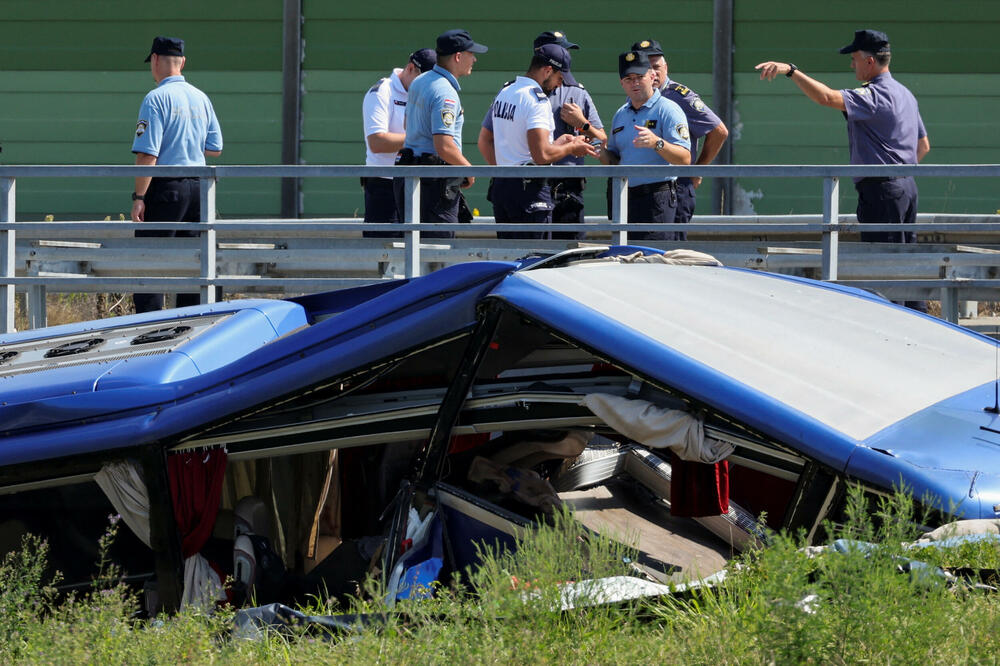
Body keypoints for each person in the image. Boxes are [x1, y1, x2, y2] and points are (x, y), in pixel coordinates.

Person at [755, 29, 929, 310]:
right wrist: (901, 171)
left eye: (855, 58)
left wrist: (792, 72)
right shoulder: (905, 94)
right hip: (907, 186)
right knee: (906, 263)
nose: (852, 64)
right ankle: (920, 324)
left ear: (870, 61)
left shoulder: (874, 95)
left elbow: (826, 97)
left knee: (885, 270)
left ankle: (893, 333)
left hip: (883, 190)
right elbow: (923, 145)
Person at [478, 30, 606, 240]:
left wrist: (572, 133)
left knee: (511, 254)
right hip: (531, 187)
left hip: (536, 188)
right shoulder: (537, 99)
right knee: (537, 258)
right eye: (558, 76)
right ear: (547, 70)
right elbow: (541, 156)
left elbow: (530, 149)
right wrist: (571, 147)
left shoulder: (508, 92)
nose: (560, 83)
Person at [130, 36, 223, 313]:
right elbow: (215, 147)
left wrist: (139, 196)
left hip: (167, 187)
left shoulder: (156, 98)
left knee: (149, 263)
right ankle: (192, 324)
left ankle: (149, 328)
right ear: (182, 62)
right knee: (194, 264)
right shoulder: (200, 97)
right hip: (199, 188)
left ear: (155, 60)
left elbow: (147, 154)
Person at [395, 29, 487, 239]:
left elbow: (408, 124)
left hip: (410, 178)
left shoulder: (420, 80)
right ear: (457, 56)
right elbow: (444, 146)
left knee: (413, 250)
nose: (474, 59)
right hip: (434, 184)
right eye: (471, 54)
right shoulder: (446, 92)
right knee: (438, 253)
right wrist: (468, 169)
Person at [632, 39, 728, 224]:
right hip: (642, 190)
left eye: (657, 67)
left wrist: (697, 170)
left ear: (666, 67)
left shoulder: (678, 96)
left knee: (671, 249)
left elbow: (719, 131)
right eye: (646, 67)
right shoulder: (635, 99)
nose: (653, 73)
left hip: (676, 188)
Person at [599, 51, 691, 242]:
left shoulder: (668, 109)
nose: (635, 83)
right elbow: (616, 161)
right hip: (626, 199)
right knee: (627, 259)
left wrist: (657, 143)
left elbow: (685, 159)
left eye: (640, 77)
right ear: (621, 83)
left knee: (652, 263)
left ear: (652, 76)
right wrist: (600, 153)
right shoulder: (620, 114)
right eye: (629, 79)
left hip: (657, 198)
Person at [361, 48, 436, 238]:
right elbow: (377, 142)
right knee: (387, 255)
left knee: (423, 253)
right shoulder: (381, 92)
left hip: (417, 184)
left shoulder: (424, 93)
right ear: (411, 68)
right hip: (385, 186)